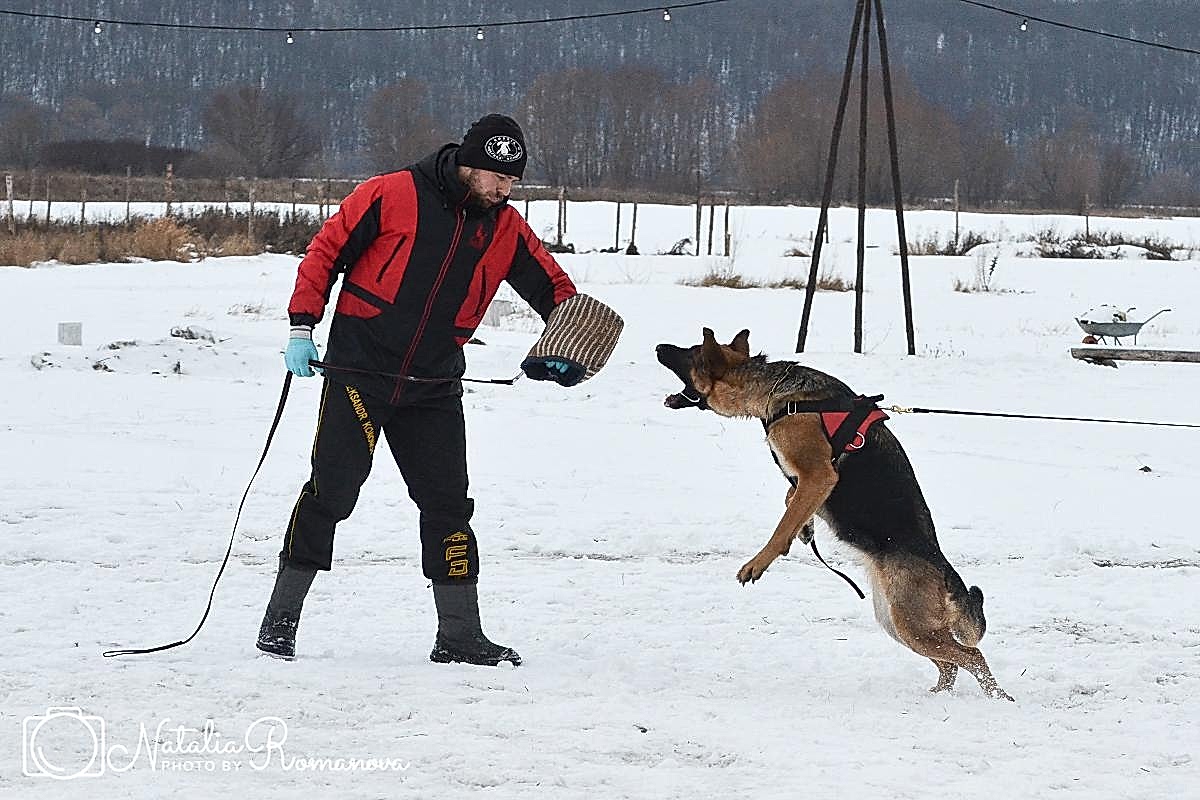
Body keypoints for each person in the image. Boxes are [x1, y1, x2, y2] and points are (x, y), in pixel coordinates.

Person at [257, 114, 578, 667]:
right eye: (499, 178)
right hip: (360, 373)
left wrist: (569, 345)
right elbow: (324, 254)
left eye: (513, 182)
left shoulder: (505, 227)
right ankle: (280, 621)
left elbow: (556, 290)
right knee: (332, 493)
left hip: (433, 385)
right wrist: (301, 327)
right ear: (470, 165)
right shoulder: (390, 194)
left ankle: (459, 635)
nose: (505, 190)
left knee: (448, 504)